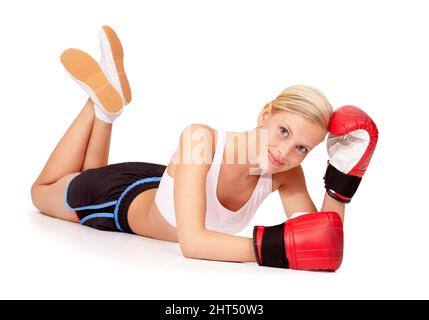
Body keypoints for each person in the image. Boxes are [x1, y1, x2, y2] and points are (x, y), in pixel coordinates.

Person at [31, 26, 378, 271]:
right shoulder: (202, 139)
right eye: (283, 131)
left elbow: (322, 243)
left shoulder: (286, 175)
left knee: (89, 171)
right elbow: (192, 243)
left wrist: (342, 181)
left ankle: (107, 109)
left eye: (302, 148)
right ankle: (97, 107)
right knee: (41, 192)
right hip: (116, 200)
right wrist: (275, 249)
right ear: (265, 113)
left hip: (161, 186)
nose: (285, 152)